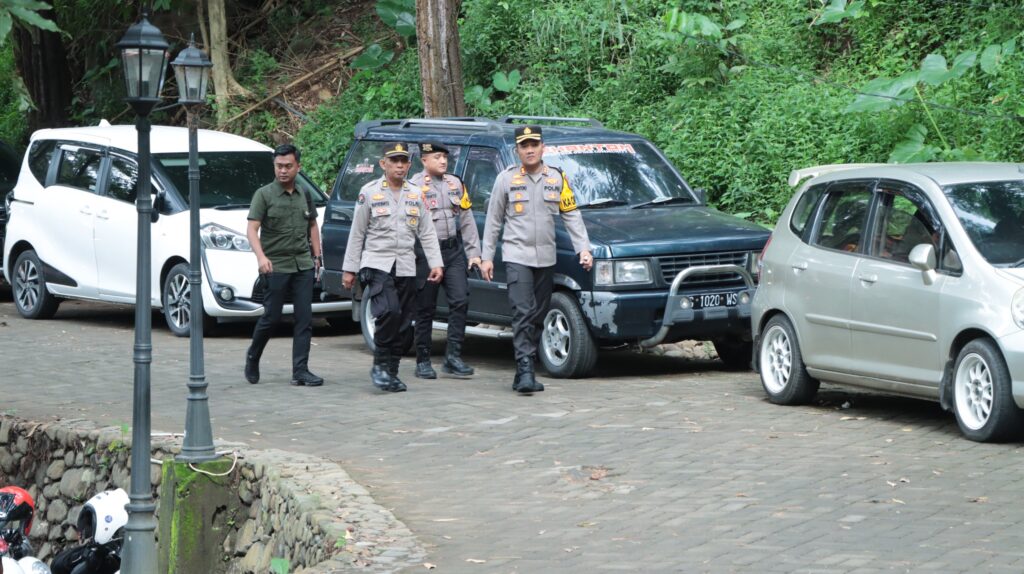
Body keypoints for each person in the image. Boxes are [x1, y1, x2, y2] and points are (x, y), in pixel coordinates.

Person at [479, 125, 593, 394]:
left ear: (543, 148)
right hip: (517, 256)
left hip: (546, 257)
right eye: (524, 145)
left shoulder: (557, 178)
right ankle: (525, 370)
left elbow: (571, 214)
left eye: (534, 144)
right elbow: (493, 221)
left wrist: (583, 249)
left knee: (538, 314)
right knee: (522, 311)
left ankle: (524, 368)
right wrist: (486, 257)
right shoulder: (505, 180)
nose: (529, 150)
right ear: (517, 150)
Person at [342, 142, 444, 392]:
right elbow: (357, 233)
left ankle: (392, 371)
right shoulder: (369, 192)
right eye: (394, 161)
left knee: (402, 321)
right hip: (377, 263)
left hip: (406, 266)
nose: (399, 165)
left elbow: (427, 232)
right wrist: (349, 269)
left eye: (403, 161)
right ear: (383, 164)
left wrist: (436, 263)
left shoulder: (416, 193)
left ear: (409, 164)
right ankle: (379, 365)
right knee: (389, 311)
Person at [244, 144, 324, 387]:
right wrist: (261, 257)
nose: (283, 171)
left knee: (304, 318)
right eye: (279, 166)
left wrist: (317, 256)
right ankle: (253, 356)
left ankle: (300, 370)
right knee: (272, 317)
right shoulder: (264, 195)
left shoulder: (304, 194)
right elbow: (252, 229)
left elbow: (312, 226)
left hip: (302, 265)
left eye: (288, 166)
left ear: (298, 167)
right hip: (275, 265)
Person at [408, 141, 482, 379]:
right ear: (424, 160)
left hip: (453, 252)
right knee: (425, 308)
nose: (442, 161)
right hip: (427, 255)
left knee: (460, 300)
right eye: (437, 157)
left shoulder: (455, 183)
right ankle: (423, 360)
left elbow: (467, 219)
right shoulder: (413, 187)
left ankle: (453, 357)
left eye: (445, 158)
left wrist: (474, 254)